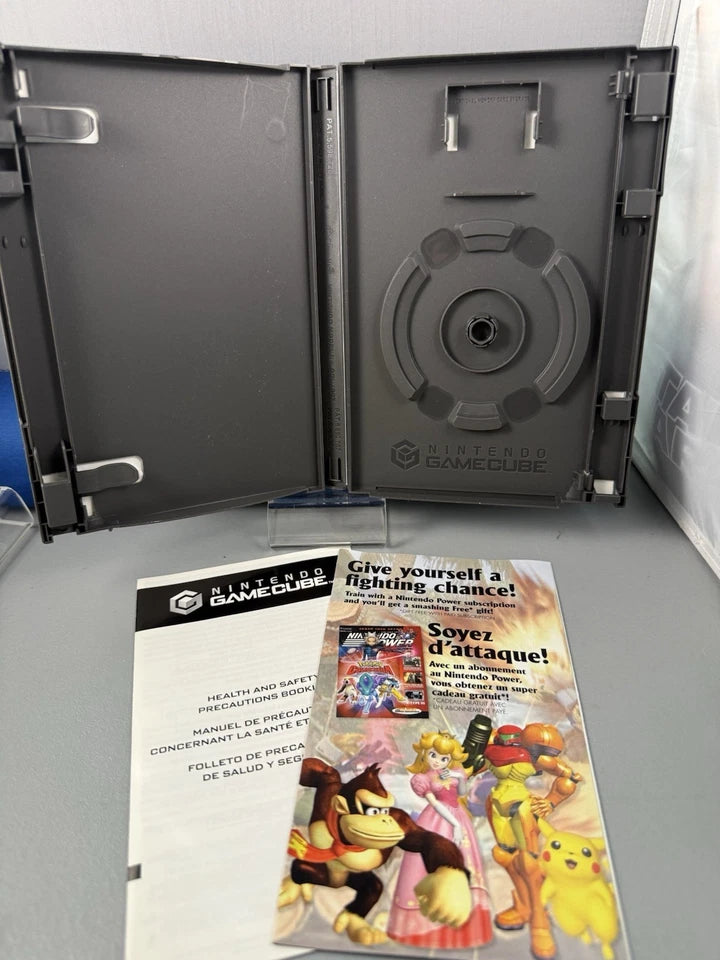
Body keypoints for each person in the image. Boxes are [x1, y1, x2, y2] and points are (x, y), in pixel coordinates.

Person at [387, 730, 493, 948]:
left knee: (463, 860)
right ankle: (424, 920)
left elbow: (461, 793)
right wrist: (454, 824)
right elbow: (435, 803)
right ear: (425, 754)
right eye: (433, 755)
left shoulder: (453, 772)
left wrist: (458, 777)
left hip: (458, 816)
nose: (437, 761)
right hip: (436, 820)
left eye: (444, 758)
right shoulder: (422, 779)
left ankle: (459, 916)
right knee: (428, 861)